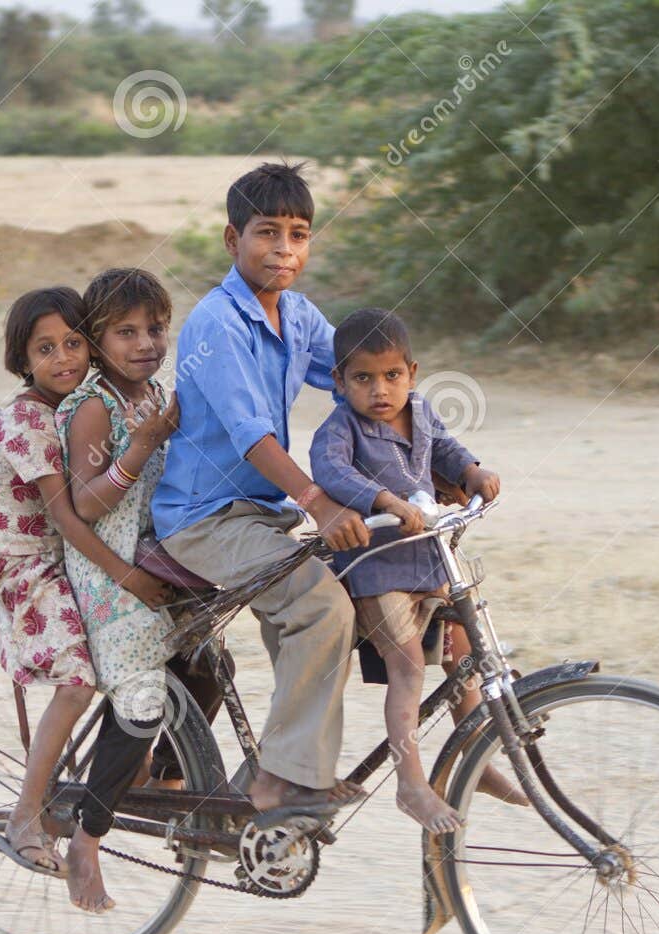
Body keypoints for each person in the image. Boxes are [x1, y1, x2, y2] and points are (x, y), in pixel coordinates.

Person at [153, 161, 368, 823]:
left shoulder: (297, 316)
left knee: (362, 589)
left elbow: (362, 380)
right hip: (205, 519)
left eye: (298, 234)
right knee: (321, 608)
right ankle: (278, 782)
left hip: (259, 514)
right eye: (266, 232)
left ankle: (275, 772)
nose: (284, 249)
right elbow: (251, 436)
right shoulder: (217, 323)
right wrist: (320, 502)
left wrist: (440, 458)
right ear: (231, 240)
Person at [0, 287, 173, 887]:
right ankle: (24, 819)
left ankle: (131, 767)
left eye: (74, 343)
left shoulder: (90, 402)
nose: (64, 359)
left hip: (72, 553)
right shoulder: (25, 419)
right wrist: (128, 575)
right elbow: (68, 516)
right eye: (45, 349)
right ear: (22, 359)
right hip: (27, 560)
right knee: (77, 683)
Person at [309, 307, 525, 831]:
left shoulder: (422, 411)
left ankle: (475, 755)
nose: (380, 390)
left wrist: (472, 471)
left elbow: (446, 450)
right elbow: (329, 470)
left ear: (412, 372)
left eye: (392, 376)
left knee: (463, 650)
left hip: (430, 556)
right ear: (339, 382)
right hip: (377, 568)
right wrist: (382, 497)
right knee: (407, 667)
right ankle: (410, 783)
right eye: (363, 379)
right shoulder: (341, 428)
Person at [54, 268, 186, 913]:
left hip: (155, 558)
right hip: (107, 569)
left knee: (210, 665)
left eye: (156, 329)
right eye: (125, 332)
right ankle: (86, 838)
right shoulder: (94, 408)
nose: (145, 343)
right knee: (139, 696)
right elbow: (83, 501)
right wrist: (136, 448)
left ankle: (161, 775)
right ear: (96, 340)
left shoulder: (155, 394)